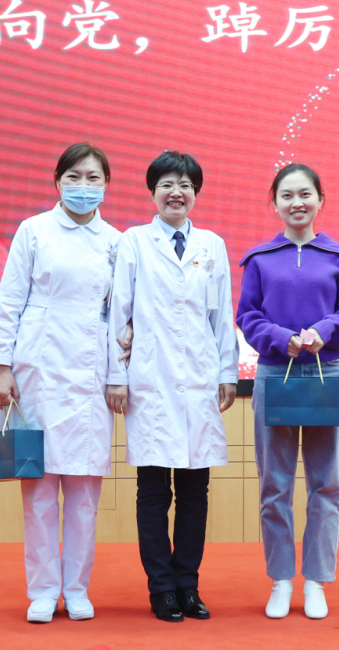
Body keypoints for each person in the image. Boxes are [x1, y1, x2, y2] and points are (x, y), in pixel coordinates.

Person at [105, 151, 239, 622]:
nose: (176, 192)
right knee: (153, 492)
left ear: (195, 193)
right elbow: (119, 312)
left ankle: (188, 585)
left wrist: (227, 372)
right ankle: (161, 588)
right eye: (166, 184)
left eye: (185, 184)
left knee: (195, 492)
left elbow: (221, 314)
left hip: (200, 380)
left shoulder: (212, 244)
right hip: (150, 379)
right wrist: (116, 376)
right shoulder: (135, 242)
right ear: (152, 192)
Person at [0, 142, 121, 624]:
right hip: (39, 368)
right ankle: (44, 590)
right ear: (57, 181)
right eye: (74, 177)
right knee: (40, 489)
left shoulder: (117, 242)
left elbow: (122, 313)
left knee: (84, 493)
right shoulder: (34, 231)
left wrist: (119, 373)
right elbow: (8, 301)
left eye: (93, 178)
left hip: (91, 371)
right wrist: (3, 367)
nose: (83, 186)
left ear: (106, 185)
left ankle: (77, 588)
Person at [236, 163, 339, 620]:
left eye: (305, 194)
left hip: (326, 372)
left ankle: (315, 581)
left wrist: (323, 330)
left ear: (320, 200)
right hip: (275, 374)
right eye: (287, 195)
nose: (297, 202)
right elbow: (247, 316)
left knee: (325, 483)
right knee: (274, 485)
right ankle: (280, 580)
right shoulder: (259, 260)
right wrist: (280, 338)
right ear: (274, 203)